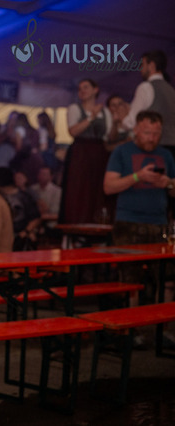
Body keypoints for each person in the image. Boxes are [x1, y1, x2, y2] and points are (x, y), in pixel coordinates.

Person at [104, 110, 175, 347]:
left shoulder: (166, 155)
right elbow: (108, 187)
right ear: (135, 130)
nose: (151, 138)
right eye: (147, 132)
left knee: (166, 280)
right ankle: (129, 331)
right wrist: (137, 176)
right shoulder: (121, 152)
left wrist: (168, 183)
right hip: (128, 222)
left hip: (159, 223)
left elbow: (174, 189)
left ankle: (163, 330)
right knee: (130, 281)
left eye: (156, 133)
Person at [60, 78, 116, 225]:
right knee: (78, 188)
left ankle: (98, 222)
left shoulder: (105, 111)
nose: (82, 91)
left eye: (86, 87)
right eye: (80, 89)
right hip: (80, 153)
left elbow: (109, 136)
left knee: (97, 189)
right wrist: (91, 117)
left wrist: (116, 122)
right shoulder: (75, 108)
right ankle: (75, 223)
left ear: (95, 90)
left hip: (99, 153)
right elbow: (73, 131)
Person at [121, 50, 175, 151]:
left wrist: (121, 119)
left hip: (154, 146)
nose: (140, 69)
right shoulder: (171, 90)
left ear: (151, 65)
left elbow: (132, 121)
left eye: (142, 65)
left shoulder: (145, 87)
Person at [0, 167, 41, 251]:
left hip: (20, 238)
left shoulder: (24, 197)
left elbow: (36, 218)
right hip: (1, 239)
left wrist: (25, 232)